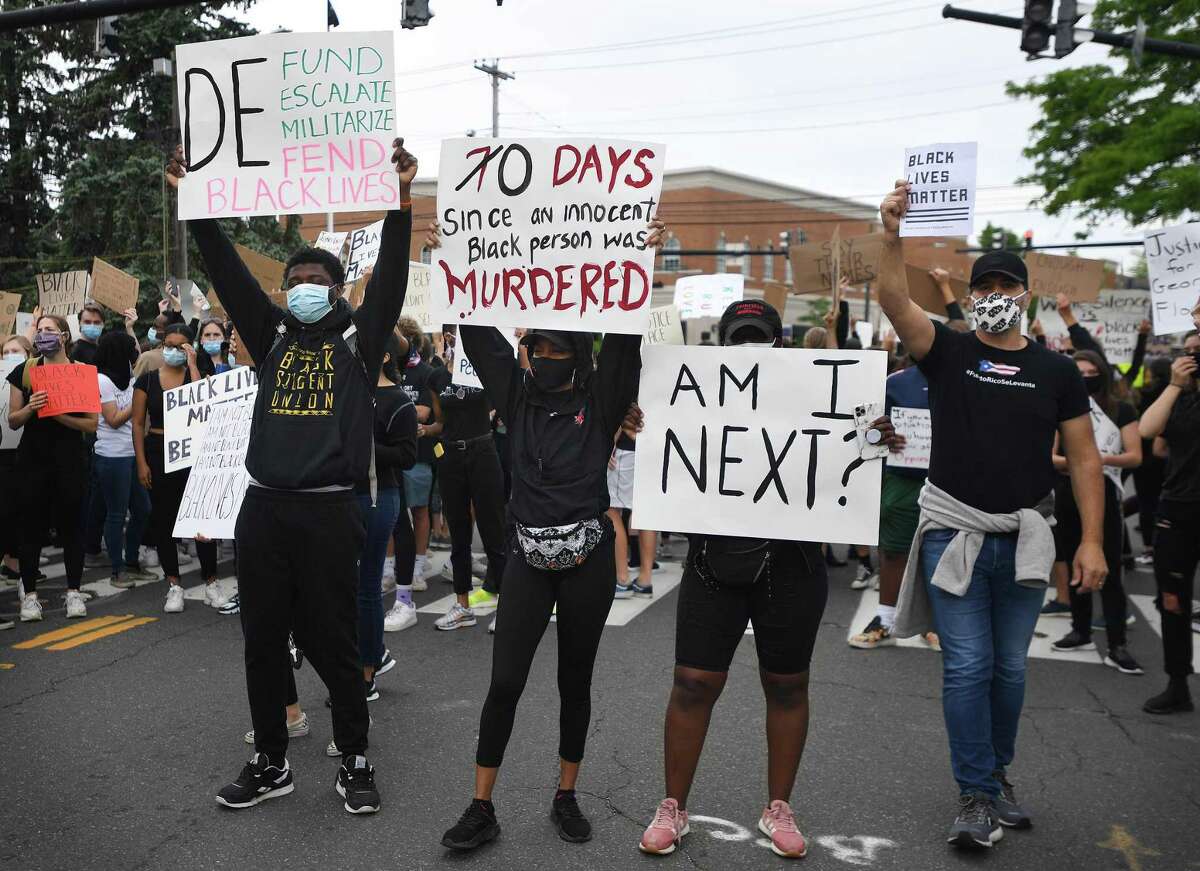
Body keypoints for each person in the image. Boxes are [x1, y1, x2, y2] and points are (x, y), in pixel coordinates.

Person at [167, 138, 416, 814]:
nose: (303, 285)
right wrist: (197, 205)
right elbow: (226, 272)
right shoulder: (271, 333)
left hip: (332, 511)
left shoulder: (360, 341)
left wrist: (398, 202)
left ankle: (355, 758)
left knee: (332, 640)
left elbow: (391, 276)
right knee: (262, 641)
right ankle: (270, 759)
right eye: (295, 277)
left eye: (316, 278)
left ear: (337, 291)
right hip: (266, 509)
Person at [877, 180, 1106, 849]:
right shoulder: (949, 351)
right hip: (954, 534)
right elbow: (894, 298)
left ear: (1024, 294)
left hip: (1027, 539)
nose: (996, 294)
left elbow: (1086, 459)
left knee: (1010, 670)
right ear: (971, 295)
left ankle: (997, 777)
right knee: (968, 667)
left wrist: (1091, 540)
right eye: (986, 285)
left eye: (1008, 283)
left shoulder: (1056, 371)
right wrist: (892, 233)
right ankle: (974, 793)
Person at [431, 216, 664, 851]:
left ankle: (567, 793)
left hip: (587, 559)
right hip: (527, 559)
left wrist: (639, 258)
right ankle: (481, 806)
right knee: (504, 680)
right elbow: (478, 334)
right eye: (537, 349)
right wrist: (449, 260)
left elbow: (623, 334)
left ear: (579, 355)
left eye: (556, 349)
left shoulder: (606, 396)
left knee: (573, 681)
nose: (544, 358)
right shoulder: (516, 391)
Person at [639, 300, 834, 860]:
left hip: (792, 564)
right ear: (722, 345)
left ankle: (779, 806)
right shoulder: (692, 396)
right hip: (713, 562)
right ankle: (673, 806)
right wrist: (642, 422)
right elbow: (667, 450)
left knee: (787, 684)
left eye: (761, 338)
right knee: (693, 682)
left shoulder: (811, 395)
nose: (752, 348)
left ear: (781, 343)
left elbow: (842, 448)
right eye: (740, 338)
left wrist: (870, 436)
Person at [1047, 350, 1144, 674]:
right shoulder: (1063, 407)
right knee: (1074, 559)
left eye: (1091, 372)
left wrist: (1098, 461)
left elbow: (1134, 456)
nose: (1086, 377)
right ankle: (1081, 629)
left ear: (1101, 373)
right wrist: (1079, 463)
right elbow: (1053, 457)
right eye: (1080, 372)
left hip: (1104, 494)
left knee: (1110, 568)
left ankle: (1117, 644)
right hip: (1067, 494)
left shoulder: (1122, 410)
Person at [6, 314, 99, 622]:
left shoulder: (81, 373)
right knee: (30, 527)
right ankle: (30, 596)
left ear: (63, 335)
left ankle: (74, 592)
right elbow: (13, 420)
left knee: (72, 526)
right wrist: (32, 408)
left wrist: (60, 417)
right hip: (33, 461)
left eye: (49, 330)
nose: (43, 334)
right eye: (40, 330)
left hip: (70, 461)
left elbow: (91, 423)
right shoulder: (26, 371)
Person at [848, 355, 941, 651]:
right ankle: (885, 619)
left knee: (943, 553)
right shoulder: (895, 382)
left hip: (952, 483)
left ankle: (934, 623)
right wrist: (882, 436)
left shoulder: (970, 380)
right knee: (893, 549)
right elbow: (865, 431)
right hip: (903, 480)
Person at [131, 324, 223, 606]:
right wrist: (142, 463)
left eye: (181, 346)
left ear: (190, 348)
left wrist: (193, 366)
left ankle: (211, 582)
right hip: (159, 453)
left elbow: (201, 405)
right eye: (168, 345)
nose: (173, 350)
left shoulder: (197, 376)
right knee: (164, 520)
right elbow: (136, 423)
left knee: (200, 520)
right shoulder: (146, 381)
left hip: (192, 455)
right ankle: (174, 585)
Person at [431, 324, 509, 633]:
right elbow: (440, 419)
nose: (452, 338)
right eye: (449, 333)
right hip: (450, 455)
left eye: (457, 334)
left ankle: (506, 606)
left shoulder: (480, 368)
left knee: (494, 529)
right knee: (459, 533)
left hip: (483, 450)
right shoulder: (436, 374)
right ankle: (462, 605)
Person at [1138, 331, 1200, 714]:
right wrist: (1176, 386)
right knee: (1172, 600)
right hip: (1178, 511)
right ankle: (1178, 683)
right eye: (1188, 351)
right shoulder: (1181, 397)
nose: (1192, 356)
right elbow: (1148, 432)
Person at [356, 332, 418, 699]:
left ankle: (367, 675)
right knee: (344, 588)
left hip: (380, 499)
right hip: (342, 497)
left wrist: (363, 446)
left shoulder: (397, 400)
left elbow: (407, 455)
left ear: (383, 357)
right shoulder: (349, 394)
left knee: (366, 588)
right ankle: (368, 656)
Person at [93, 331, 156, 588]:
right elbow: (114, 419)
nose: (135, 354)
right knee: (117, 514)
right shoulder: (101, 380)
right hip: (111, 456)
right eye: (130, 349)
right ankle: (118, 570)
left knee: (143, 510)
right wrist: (140, 402)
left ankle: (132, 561)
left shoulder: (129, 378)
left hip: (131, 454)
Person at [397, 316, 445, 590]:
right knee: (392, 514)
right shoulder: (386, 369)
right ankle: (391, 568)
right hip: (390, 454)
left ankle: (416, 568)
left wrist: (392, 406)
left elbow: (426, 413)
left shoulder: (425, 372)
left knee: (419, 511)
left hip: (418, 454)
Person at [0, 336, 34, 607]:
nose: (10, 355)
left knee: (27, 517)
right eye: (6, 351)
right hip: (3, 457)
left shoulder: (32, 377)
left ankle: (26, 576)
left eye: (16, 351)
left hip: (27, 454)